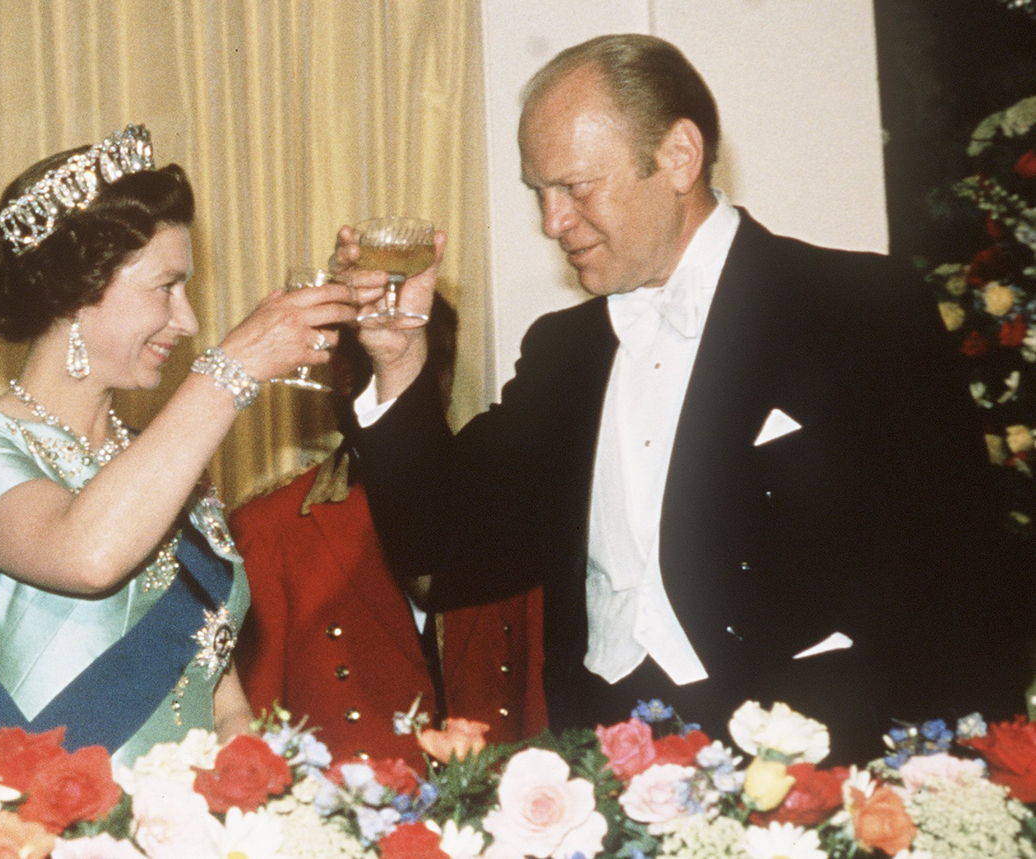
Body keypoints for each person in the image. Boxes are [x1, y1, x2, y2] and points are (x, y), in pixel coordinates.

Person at [334, 35, 1029, 762]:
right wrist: (400, 360)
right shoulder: (564, 352)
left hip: (811, 783)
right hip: (605, 780)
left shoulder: (858, 307)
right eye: (538, 192)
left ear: (679, 157)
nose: (551, 222)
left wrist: (977, 787)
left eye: (574, 187)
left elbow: (961, 585)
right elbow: (442, 550)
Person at [0, 125, 359, 767]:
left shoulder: (167, 461)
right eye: (165, 287)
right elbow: (88, 553)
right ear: (77, 290)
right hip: (64, 825)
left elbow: (223, 697)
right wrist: (230, 368)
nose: (189, 322)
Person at [232, 297, 547, 763]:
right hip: (351, 820)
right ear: (342, 375)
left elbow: (536, 702)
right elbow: (254, 730)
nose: (421, 380)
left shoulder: (505, 506)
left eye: (434, 364)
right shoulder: (270, 529)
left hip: (499, 814)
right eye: (395, 356)